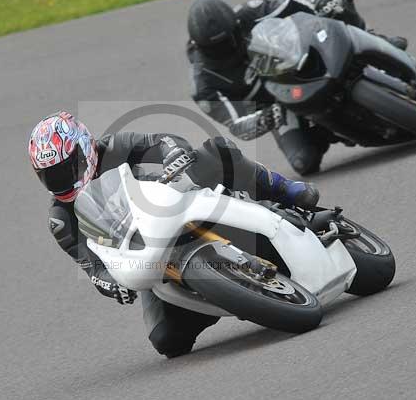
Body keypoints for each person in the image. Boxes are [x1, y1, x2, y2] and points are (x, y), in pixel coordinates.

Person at [29, 111, 320, 358]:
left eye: (66, 168)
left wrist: (173, 154)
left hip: (175, 205)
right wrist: (109, 284)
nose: (62, 180)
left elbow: (163, 141)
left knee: (216, 151)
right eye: (51, 176)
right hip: (148, 257)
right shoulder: (61, 220)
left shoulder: (115, 147)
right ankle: (227, 292)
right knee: (167, 341)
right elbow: (92, 266)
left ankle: (284, 191)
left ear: (84, 147)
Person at [187, 0, 408, 175]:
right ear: (200, 47)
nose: (225, 49)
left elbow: (292, 1)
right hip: (278, 105)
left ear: (235, 25)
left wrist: (317, 0)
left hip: (298, 62)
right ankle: (330, 130)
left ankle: (376, 41)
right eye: (215, 48)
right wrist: (265, 118)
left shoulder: (248, 14)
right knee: (304, 162)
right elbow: (236, 125)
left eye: (228, 40)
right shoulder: (203, 83)